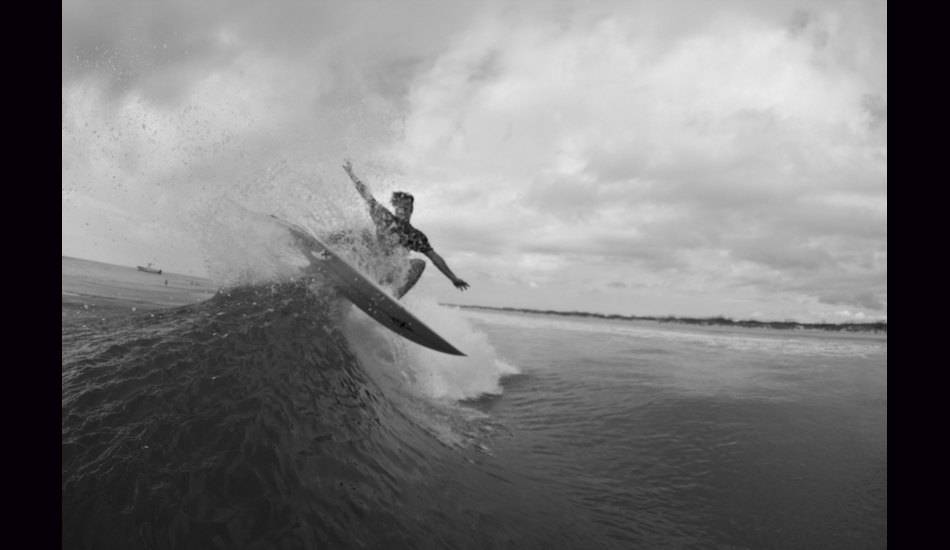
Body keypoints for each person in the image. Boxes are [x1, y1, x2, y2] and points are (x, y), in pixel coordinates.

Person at [343, 160, 469, 299]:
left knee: (419, 264)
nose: (403, 211)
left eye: (406, 208)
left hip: (389, 274)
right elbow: (366, 195)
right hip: (369, 265)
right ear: (395, 208)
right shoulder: (384, 217)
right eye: (400, 208)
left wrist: (453, 278)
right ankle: (323, 244)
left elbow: (434, 257)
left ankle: (393, 299)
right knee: (361, 234)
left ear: (411, 210)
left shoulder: (415, 235)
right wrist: (351, 174)